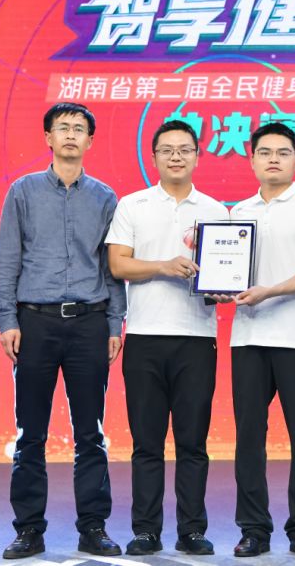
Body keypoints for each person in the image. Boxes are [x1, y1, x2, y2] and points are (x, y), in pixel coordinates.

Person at [0, 102, 127, 560]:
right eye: (62, 127)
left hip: (89, 323)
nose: (70, 134)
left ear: (90, 140)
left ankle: (94, 527)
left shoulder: (105, 198)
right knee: (31, 432)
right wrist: (7, 320)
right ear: (48, 137)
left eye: (79, 129)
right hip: (35, 323)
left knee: (91, 433)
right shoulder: (23, 192)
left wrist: (114, 322)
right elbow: (6, 262)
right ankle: (29, 529)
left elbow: (112, 269)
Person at [105, 120, 229, 556]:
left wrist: (222, 288)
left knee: (193, 442)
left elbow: (225, 275)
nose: (176, 156)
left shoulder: (216, 210)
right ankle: (146, 530)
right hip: (145, 338)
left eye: (184, 149)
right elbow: (118, 265)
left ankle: (192, 530)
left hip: (196, 339)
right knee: (147, 444)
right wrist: (163, 266)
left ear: (197, 155)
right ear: (154, 156)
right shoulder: (132, 205)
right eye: (167, 149)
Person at [227, 122, 295, 558]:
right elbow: (227, 274)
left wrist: (269, 291)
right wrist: (214, 285)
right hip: (248, 338)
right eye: (265, 152)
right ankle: (253, 529)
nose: (273, 159)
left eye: (283, 152)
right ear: (252, 159)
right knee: (248, 438)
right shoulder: (237, 213)